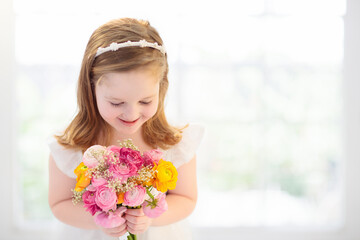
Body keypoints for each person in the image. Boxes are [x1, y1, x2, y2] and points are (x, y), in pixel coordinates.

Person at [48, 18, 204, 240]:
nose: (131, 114)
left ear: (161, 87)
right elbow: (59, 204)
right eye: (116, 103)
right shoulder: (72, 145)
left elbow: (186, 199)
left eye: (145, 101)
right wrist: (99, 220)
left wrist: (150, 217)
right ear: (91, 90)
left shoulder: (174, 143)